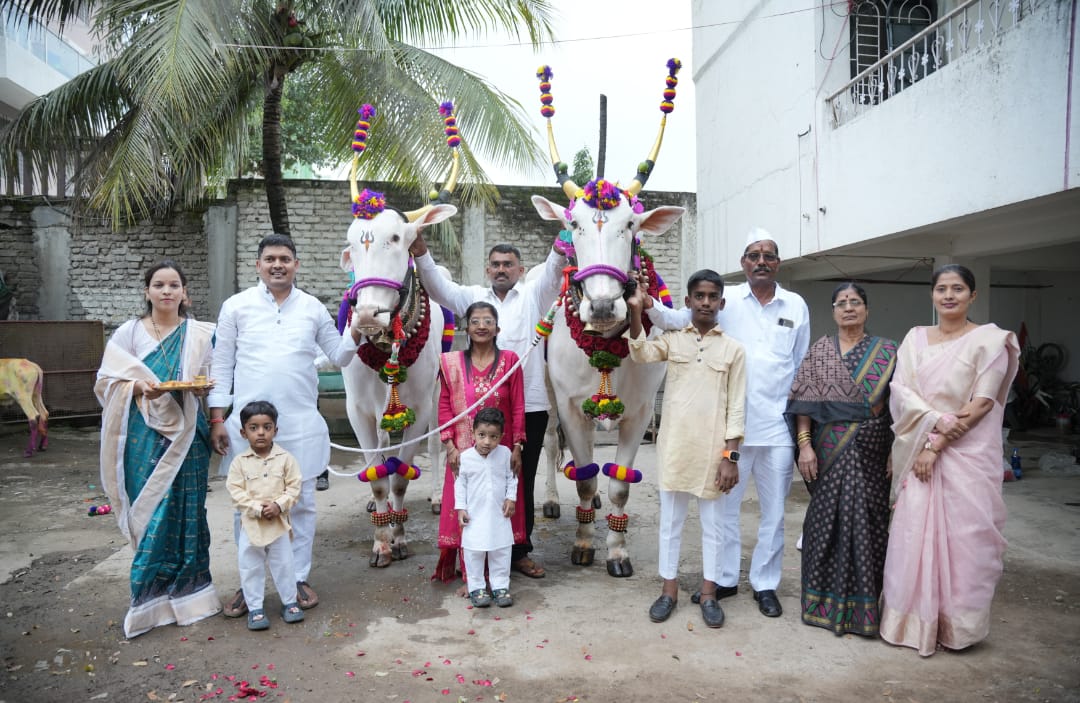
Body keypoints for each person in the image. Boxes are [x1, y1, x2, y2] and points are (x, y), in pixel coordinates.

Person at [646, 228, 810, 618]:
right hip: (727, 432)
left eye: (768, 255)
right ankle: (722, 579)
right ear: (743, 263)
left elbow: (800, 365)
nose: (761, 261)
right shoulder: (726, 298)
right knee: (725, 511)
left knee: (773, 512)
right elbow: (674, 318)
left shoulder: (796, 304)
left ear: (778, 263)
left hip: (776, 428)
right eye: (753, 255)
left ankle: (765, 584)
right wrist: (644, 301)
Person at [208, 234, 362, 617]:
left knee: (303, 503)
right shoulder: (236, 307)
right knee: (248, 506)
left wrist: (360, 325)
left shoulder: (311, 308)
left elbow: (341, 355)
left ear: (297, 264)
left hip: (300, 425)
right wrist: (216, 417)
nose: (278, 265)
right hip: (247, 425)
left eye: (286, 259)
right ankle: (251, 585)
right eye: (270, 259)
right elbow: (222, 363)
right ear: (257, 265)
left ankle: (296, 578)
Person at [881, 264, 1019, 656]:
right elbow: (901, 392)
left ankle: (958, 629)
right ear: (932, 295)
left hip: (967, 454)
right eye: (941, 289)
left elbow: (982, 403)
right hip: (923, 447)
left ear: (972, 296)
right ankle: (910, 622)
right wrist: (933, 428)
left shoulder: (989, 341)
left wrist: (934, 444)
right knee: (913, 536)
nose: (949, 295)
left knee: (966, 541)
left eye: (958, 289)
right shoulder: (915, 338)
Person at [412, 234, 565, 579]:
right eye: (495, 264)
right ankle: (477, 552)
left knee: (518, 479)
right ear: (487, 269)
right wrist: (421, 253)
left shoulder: (534, 295)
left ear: (520, 270)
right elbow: (437, 287)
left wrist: (566, 232)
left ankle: (518, 552)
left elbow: (555, 269)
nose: (501, 269)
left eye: (508, 264)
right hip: (475, 410)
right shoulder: (472, 298)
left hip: (528, 406)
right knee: (477, 481)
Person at [95, 260, 220, 638]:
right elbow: (105, 382)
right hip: (144, 435)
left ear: (185, 293)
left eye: (174, 285)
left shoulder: (200, 333)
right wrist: (139, 387)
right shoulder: (129, 333)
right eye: (159, 285)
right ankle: (147, 603)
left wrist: (203, 391)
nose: (167, 291)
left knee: (189, 511)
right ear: (147, 291)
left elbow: (214, 375)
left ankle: (191, 596)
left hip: (188, 433)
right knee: (152, 511)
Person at [628, 270, 747, 628]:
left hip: (713, 454)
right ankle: (669, 591)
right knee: (670, 524)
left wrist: (730, 457)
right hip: (675, 449)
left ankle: (709, 593)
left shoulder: (733, 350)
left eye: (712, 296)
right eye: (700, 296)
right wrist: (636, 310)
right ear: (688, 301)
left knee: (714, 527)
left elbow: (737, 408)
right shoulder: (674, 339)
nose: (706, 302)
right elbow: (639, 352)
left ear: (721, 303)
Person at [785, 283, 897, 637]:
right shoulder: (820, 352)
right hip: (828, 447)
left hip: (873, 449)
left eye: (856, 302)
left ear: (866, 309)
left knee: (870, 525)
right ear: (833, 311)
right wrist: (805, 446)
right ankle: (822, 605)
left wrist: (897, 449)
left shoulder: (888, 352)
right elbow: (803, 405)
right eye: (842, 303)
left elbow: (901, 407)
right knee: (825, 525)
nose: (849, 308)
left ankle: (865, 611)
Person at [434, 302, 527, 586]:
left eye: (488, 321)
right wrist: (450, 446)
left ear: (497, 328)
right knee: (467, 510)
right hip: (463, 451)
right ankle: (471, 576)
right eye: (475, 321)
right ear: (467, 328)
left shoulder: (510, 360)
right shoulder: (450, 363)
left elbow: (518, 406)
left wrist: (517, 447)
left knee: (498, 509)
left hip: (500, 451)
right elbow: (446, 404)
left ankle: (496, 575)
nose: (482, 326)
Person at [455, 407, 518, 608]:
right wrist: (461, 508)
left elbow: (511, 477)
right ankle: (477, 588)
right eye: (481, 435)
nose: (487, 442)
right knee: (474, 552)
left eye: (493, 436)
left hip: (499, 514)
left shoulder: (505, 453)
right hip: (474, 515)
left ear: (501, 436)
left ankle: (500, 586)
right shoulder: (465, 458)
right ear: (473, 433)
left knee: (501, 551)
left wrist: (511, 498)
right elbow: (460, 484)